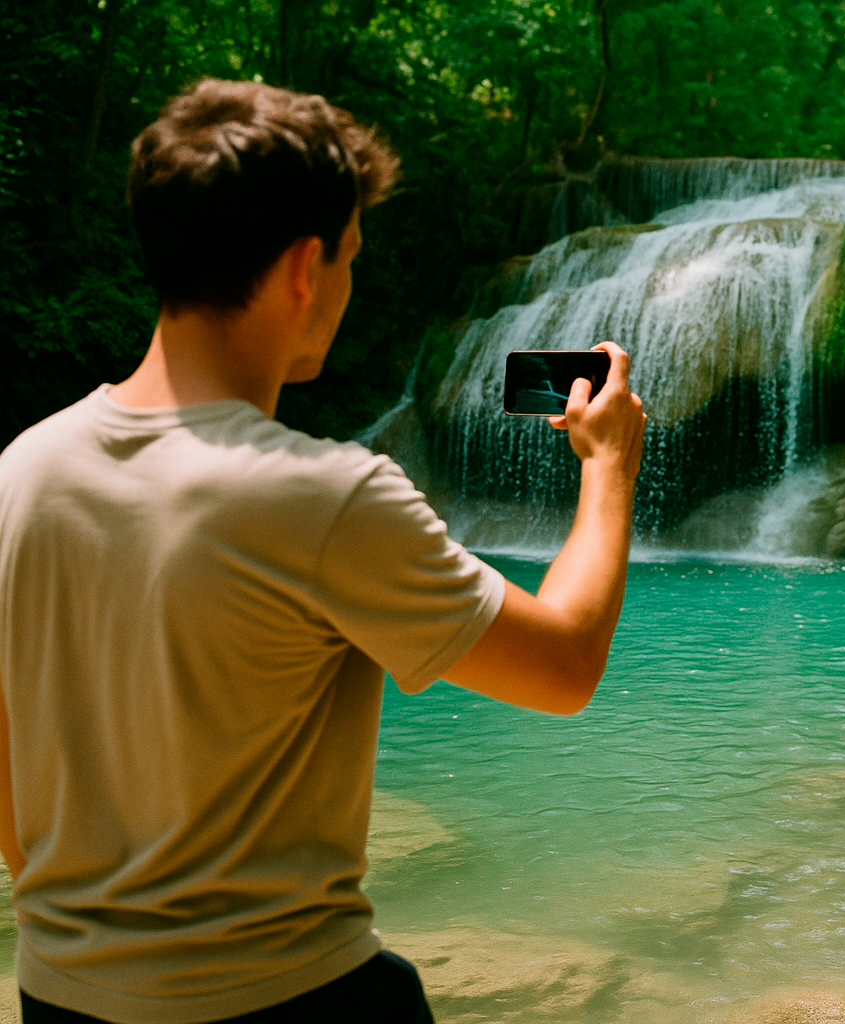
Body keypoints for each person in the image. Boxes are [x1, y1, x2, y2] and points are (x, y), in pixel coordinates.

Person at [0, 78, 645, 1023]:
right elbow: (564, 663)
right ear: (307, 268)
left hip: (60, 995)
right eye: (349, 256)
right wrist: (609, 465)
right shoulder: (327, 498)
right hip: (292, 998)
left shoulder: (22, 471)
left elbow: (14, 815)